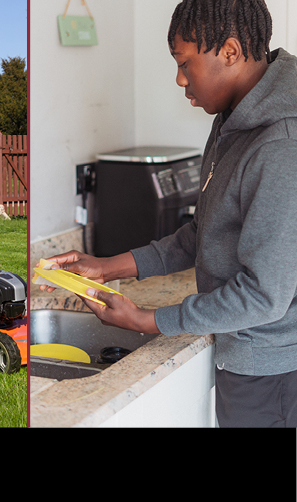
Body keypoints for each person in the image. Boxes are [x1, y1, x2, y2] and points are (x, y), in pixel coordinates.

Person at [41, 0, 297, 427]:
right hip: (248, 357)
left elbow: (263, 296)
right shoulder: (234, 119)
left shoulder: (279, 144)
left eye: (185, 63)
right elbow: (203, 234)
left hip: (272, 370)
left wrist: (151, 320)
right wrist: (109, 267)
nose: (180, 79)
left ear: (229, 52)